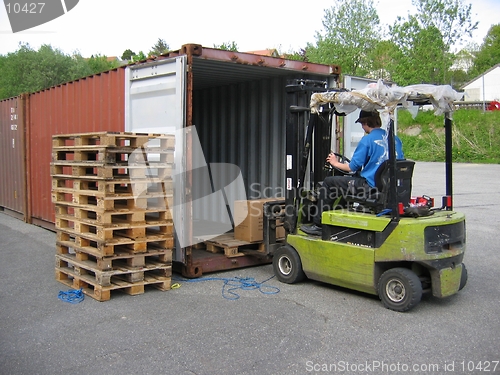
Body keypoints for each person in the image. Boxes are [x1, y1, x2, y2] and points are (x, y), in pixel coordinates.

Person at [301, 110, 404, 236]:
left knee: (329, 183)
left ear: (366, 122)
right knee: (349, 182)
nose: (362, 127)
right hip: (389, 188)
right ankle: (339, 217)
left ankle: (318, 225)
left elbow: (352, 167)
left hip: (369, 188)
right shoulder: (395, 139)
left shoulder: (367, 140)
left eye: (362, 124)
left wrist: (335, 163)